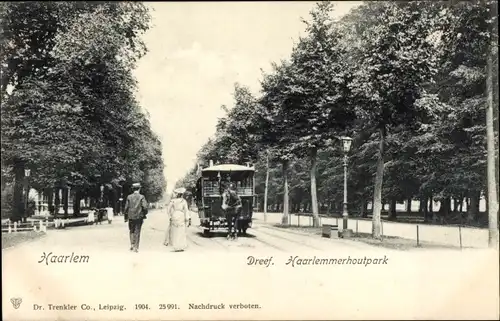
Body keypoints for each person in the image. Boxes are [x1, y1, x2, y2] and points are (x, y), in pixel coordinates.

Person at [124, 182, 148, 252]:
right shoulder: (142, 197)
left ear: (132, 189)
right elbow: (145, 207)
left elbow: (126, 208)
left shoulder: (129, 197)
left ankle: (132, 244)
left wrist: (126, 217)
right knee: (137, 231)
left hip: (131, 217)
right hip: (139, 216)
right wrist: (144, 214)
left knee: (131, 230)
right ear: (139, 188)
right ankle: (136, 247)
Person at [164, 187, 189, 252]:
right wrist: (187, 219)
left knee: (174, 230)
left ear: (177, 194)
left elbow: (168, 209)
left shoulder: (173, 201)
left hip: (174, 215)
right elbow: (186, 210)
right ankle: (180, 246)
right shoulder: (184, 201)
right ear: (182, 194)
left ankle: (175, 246)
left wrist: (170, 216)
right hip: (181, 215)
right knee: (181, 230)